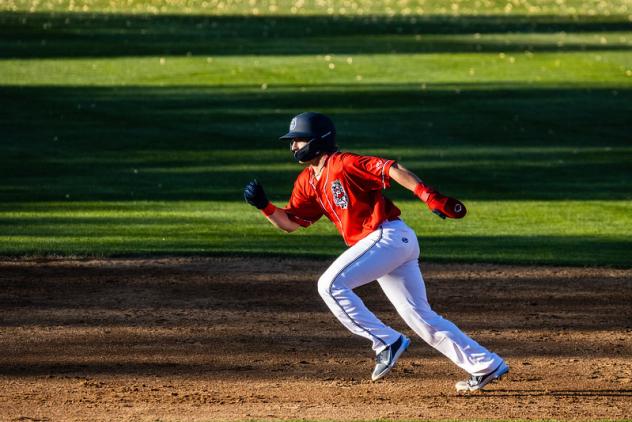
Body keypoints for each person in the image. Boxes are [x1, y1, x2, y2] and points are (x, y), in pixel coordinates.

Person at [243, 112, 508, 392]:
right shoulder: (307, 181)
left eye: (298, 140)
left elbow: (390, 168)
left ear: (318, 140)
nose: (294, 146)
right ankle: (485, 364)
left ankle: (386, 341)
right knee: (419, 316)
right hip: (387, 245)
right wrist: (264, 206)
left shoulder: (344, 164)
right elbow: (291, 223)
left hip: (388, 236)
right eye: (292, 141)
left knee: (330, 285)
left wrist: (428, 195)